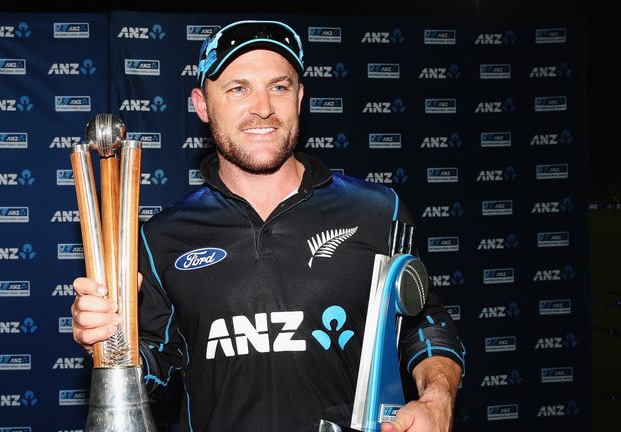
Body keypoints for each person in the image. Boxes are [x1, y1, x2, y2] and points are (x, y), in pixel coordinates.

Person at [72, 20, 464, 432]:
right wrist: (112, 342)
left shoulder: (378, 211)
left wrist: (438, 397)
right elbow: (156, 369)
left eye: (278, 87)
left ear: (299, 97)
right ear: (202, 105)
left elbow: (423, 322)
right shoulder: (161, 237)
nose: (263, 107)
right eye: (238, 88)